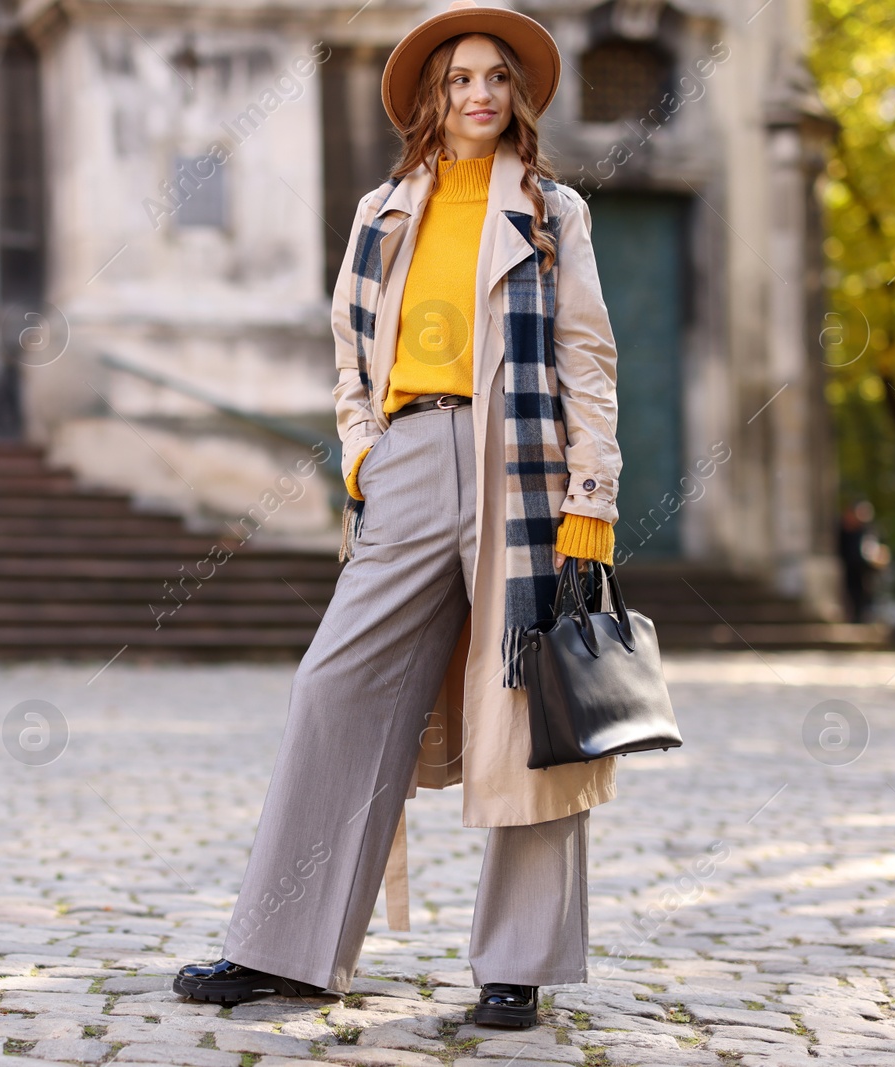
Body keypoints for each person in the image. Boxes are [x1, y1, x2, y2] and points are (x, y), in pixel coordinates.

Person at [172, 0, 622, 1030]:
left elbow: (586, 359)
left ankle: (518, 963)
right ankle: (283, 946)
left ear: (516, 98)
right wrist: (363, 444)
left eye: (495, 78)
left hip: (526, 460)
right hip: (412, 452)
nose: (477, 94)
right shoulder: (382, 209)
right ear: (432, 95)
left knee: (531, 703)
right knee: (337, 681)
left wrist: (590, 494)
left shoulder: (553, 212)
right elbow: (347, 345)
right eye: (459, 77)